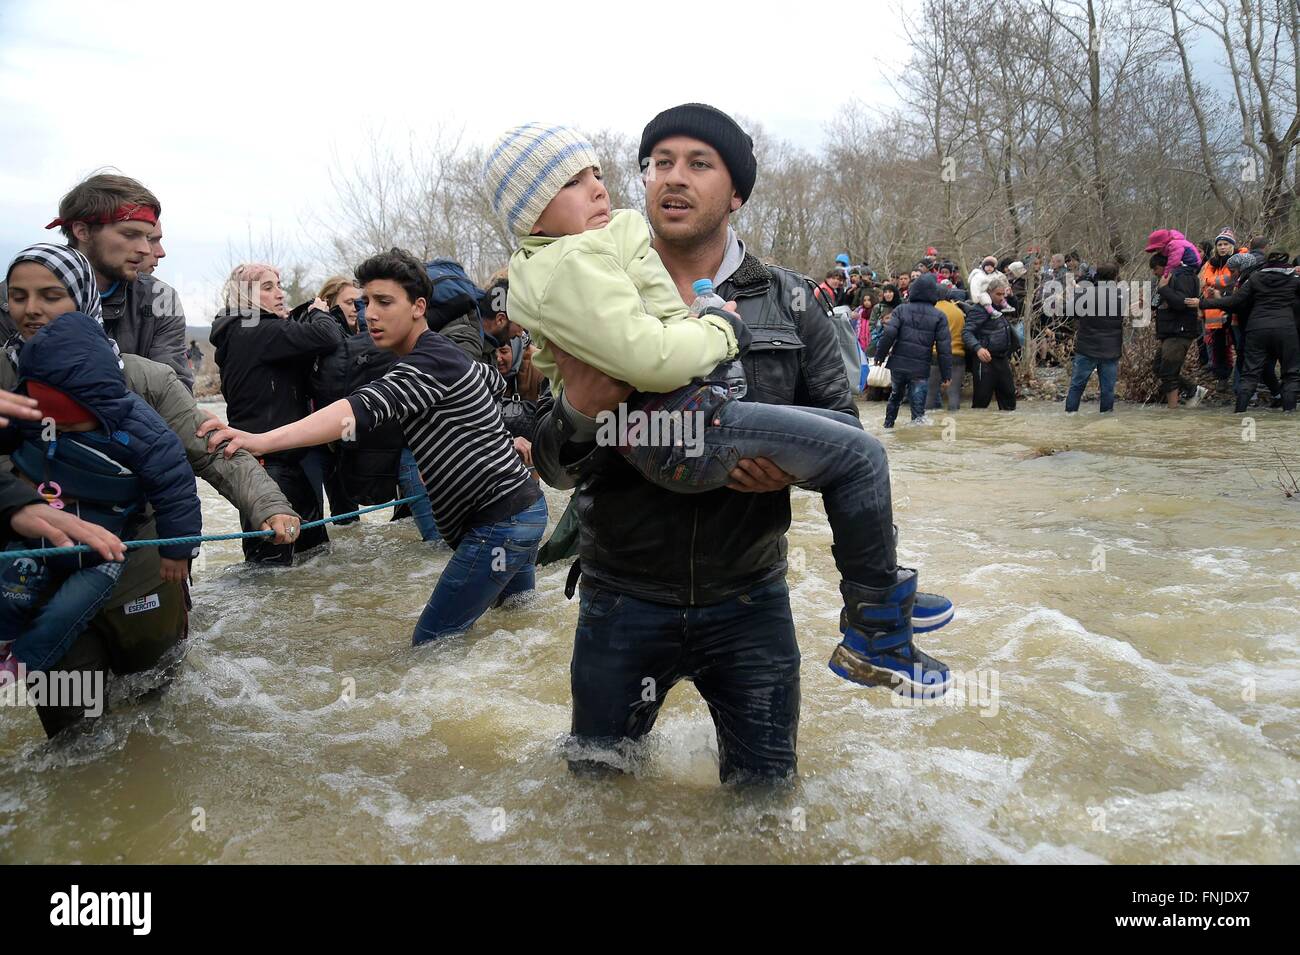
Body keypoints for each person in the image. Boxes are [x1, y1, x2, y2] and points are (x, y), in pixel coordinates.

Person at [519, 106, 952, 783]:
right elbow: (549, 462)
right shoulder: (595, 287)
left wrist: (782, 472)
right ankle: (880, 613)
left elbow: (843, 438)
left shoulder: (792, 301)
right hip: (620, 597)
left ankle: (876, 615)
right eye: (659, 162)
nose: (674, 177)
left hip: (749, 601)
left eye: (699, 163)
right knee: (595, 797)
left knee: (765, 796)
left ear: (737, 192)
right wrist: (579, 407)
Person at [0, 243, 299, 737]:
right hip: (39, 574)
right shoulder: (7, 380)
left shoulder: (143, 378)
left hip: (141, 572)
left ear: (83, 299)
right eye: (18, 296)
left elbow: (207, 450)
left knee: (157, 710)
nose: (32, 309)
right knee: (75, 735)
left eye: (51, 295)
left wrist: (269, 506)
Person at [200, 248, 547, 644]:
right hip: (523, 509)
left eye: (384, 302)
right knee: (520, 627)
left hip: (498, 523)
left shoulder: (423, 365)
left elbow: (350, 412)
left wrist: (259, 439)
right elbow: (490, 381)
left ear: (419, 307)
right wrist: (505, 437)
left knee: (431, 645)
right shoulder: (442, 352)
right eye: (366, 303)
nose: (371, 315)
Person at [0, 312, 202, 680]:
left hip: (106, 550)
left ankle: (23, 662)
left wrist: (178, 551)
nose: (62, 429)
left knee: (67, 611)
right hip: (39, 538)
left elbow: (176, 482)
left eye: (74, 424)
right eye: (53, 424)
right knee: (10, 585)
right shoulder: (28, 414)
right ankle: (5, 644)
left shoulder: (138, 427)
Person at [0, 173, 192, 389]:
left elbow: (174, 395)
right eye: (130, 234)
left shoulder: (160, 299)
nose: (145, 249)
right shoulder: (9, 300)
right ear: (82, 231)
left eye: (147, 237)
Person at [210, 263, 344, 563]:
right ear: (245, 296)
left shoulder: (246, 330)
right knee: (271, 570)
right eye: (267, 288)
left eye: (279, 285)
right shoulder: (258, 330)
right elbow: (328, 337)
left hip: (278, 460)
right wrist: (320, 312)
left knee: (314, 560)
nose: (280, 293)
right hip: (268, 467)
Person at [1191, 250, 1299, 412]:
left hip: (1257, 329)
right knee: (1291, 375)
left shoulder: (1255, 278)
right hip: (1286, 329)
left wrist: (1202, 303)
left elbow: (1235, 301)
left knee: (1250, 374)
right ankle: (1288, 416)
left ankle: (1239, 413)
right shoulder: (1294, 279)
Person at [874, 273, 952, 427]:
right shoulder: (939, 316)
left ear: (913, 291)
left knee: (895, 396)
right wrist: (946, 374)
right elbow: (944, 348)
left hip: (898, 363)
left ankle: (888, 426)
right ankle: (916, 439)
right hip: (920, 367)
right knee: (918, 407)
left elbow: (889, 334)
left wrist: (880, 356)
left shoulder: (901, 310)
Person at [1151, 249, 1208, 409]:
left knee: (1168, 372)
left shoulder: (1184, 277)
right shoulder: (1164, 281)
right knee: (1158, 368)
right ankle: (1192, 390)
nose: (1154, 273)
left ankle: (1173, 412)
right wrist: (1159, 290)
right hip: (1168, 331)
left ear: (1164, 266)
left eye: (1155, 269)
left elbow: (1181, 302)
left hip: (1180, 331)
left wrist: (1164, 289)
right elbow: (1154, 303)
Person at [1065, 264, 1125, 413]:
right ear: (1115, 277)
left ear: (1096, 275)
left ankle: (1070, 417)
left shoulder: (1087, 293)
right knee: (1108, 390)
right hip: (1111, 349)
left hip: (1086, 348)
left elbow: (1069, 312)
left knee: (1077, 386)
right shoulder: (1121, 295)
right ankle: (1106, 420)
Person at [962, 277, 1021, 410]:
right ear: (989, 293)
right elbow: (966, 333)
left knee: (1009, 401)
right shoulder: (979, 310)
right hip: (985, 360)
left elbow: (1015, 311)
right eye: (998, 294)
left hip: (1002, 358)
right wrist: (978, 348)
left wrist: (1011, 297)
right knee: (981, 402)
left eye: (1003, 294)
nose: (1001, 298)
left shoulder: (1001, 307)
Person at [1199, 229, 1238, 380]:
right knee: (1217, 347)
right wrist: (1210, 288)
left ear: (1232, 245)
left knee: (1234, 346)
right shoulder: (1212, 263)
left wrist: (1213, 285)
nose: (1222, 247)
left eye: (1226, 244)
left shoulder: (1236, 261)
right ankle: (1222, 376)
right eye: (1220, 244)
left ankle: (1236, 378)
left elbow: (1230, 281)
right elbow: (1203, 281)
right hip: (1214, 310)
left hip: (1231, 310)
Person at [929, 289, 967, 412]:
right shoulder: (958, 311)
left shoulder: (932, 310)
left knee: (930, 393)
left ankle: (923, 426)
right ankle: (954, 422)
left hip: (936, 354)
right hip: (957, 354)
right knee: (954, 393)